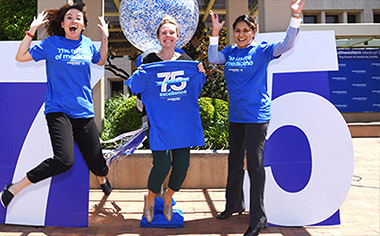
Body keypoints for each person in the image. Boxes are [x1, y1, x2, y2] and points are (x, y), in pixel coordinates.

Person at [0, 2, 111, 208]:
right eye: (69, 17)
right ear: (62, 24)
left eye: (78, 18)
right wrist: (32, 31)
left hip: (83, 111)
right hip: (58, 109)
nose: (74, 21)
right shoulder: (51, 45)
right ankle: (14, 188)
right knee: (64, 160)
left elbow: (101, 60)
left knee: (98, 164)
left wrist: (105, 38)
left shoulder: (86, 44)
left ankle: (101, 178)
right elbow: (20, 56)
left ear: (83, 25)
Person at [208, 0, 305, 235]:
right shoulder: (230, 51)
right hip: (236, 116)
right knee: (234, 161)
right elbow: (213, 58)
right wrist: (215, 33)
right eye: (237, 31)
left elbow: (287, 44)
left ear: (254, 32)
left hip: (256, 117)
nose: (241, 34)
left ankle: (258, 217)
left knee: (254, 164)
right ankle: (233, 204)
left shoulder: (262, 50)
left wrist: (295, 17)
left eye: (246, 30)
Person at [125, 15, 205, 223]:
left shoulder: (187, 61)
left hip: (181, 122)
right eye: (164, 33)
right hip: (158, 122)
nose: (168, 36)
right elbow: (135, 88)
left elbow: (195, 90)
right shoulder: (149, 61)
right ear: (158, 37)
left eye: (171, 32)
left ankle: (168, 196)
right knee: (161, 165)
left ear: (177, 36)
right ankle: (151, 198)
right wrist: (139, 74)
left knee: (182, 165)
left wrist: (200, 74)